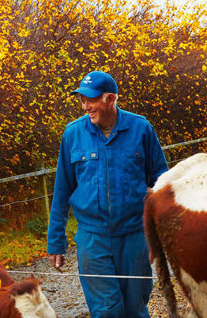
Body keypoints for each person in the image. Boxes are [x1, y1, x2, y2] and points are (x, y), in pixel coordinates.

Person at [47, 70, 168, 318]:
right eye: (82, 100)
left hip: (135, 237)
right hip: (93, 239)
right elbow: (61, 192)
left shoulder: (141, 129)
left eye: (90, 100)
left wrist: (160, 236)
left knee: (135, 308)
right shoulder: (73, 134)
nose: (85, 107)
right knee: (107, 311)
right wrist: (55, 241)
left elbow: (162, 185)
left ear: (110, 99)